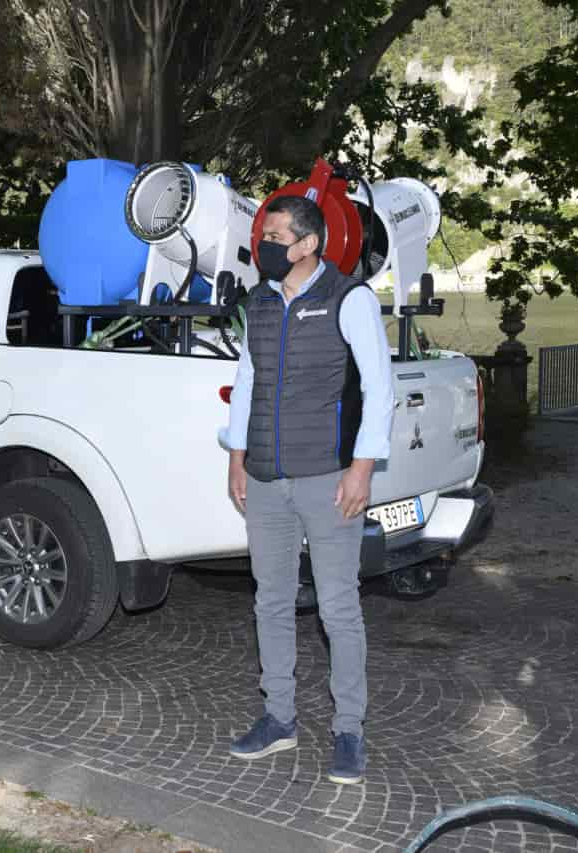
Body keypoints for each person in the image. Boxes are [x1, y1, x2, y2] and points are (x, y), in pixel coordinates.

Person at [223, 194, 394, 784]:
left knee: (338, 608)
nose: (264, 244)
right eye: (263, 234)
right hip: (267, 479)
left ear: (308, 243)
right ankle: (278, 719)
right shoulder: (260, 304)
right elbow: (247, 382)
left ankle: (349, 730)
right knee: (269, 601)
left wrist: (362, 469)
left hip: (328, 478)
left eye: (275, 235)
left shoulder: (350, 298)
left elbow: (379, 388)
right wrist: (237, 456)